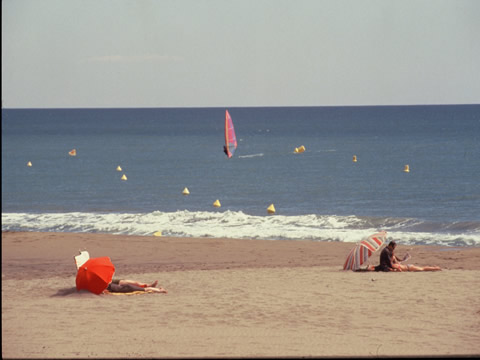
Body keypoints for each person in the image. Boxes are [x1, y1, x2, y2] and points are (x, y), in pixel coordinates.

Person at [366, 241, 441, 272]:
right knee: (422, 268)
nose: (394, 249)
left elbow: (392, 262)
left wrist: (399, 263)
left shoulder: (390, 254)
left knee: (422, 269)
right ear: (390, 246)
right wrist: (396, 268)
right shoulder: (387, 252)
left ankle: (435, 268)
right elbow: (390, 264)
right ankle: (435, 267)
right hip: (407, 267)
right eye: (394, 247)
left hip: (408, 267)